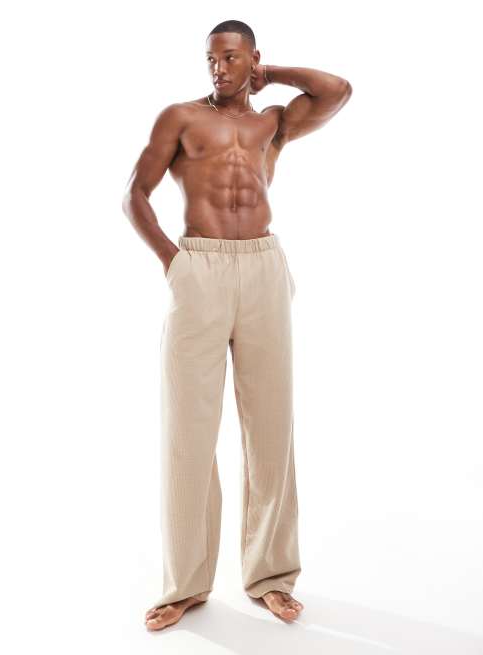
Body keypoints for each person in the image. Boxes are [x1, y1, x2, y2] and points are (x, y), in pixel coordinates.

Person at [122, 19, 352, 631]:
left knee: (270, 428)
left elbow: (337, 90)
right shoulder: (180, 117)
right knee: (189, 431)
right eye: (211, 59)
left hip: (263, 268)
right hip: (198, 266)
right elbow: (134, 194)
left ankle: (271, 577)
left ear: (251, 58)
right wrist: (174, 263)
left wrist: (270, 76)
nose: (218, 68)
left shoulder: (273, 122)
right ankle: (185, 583)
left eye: (230, 58)